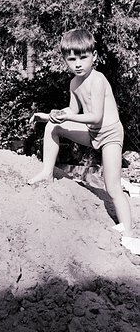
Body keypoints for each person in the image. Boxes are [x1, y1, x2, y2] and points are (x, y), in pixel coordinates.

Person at [28, 28, 139, 253]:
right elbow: (72, 109)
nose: (78, 63)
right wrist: (53, 114)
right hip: (92, 133)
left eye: (83, 57)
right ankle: (47, 171)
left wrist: (69, 116)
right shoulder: (74, 84)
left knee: (113, 186)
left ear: (94, 56)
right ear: (65, 60)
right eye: (71, 59)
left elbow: (96, 116)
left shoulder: (98, 80)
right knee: (53, 126)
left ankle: (129, 234)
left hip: (109, 135)